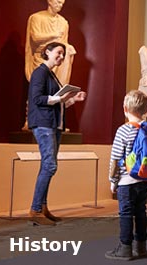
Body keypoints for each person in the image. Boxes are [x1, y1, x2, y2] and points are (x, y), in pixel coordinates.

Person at [27, 42, 86, 226]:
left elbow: (57, 102)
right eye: (59, 53)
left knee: (48, 166)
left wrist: (72, 99)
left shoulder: (52, 74)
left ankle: (42, 207)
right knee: (50, 166)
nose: (61, 57)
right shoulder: (40, 72)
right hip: (43, 124)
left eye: (63, 54)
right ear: (47, 52)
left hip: (53, 125)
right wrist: (61, 98)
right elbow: (37, 98)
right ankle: (35, 210)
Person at [105, 90, 147, 261]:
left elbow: (116, 159)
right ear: (145, 110)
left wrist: (112, 181)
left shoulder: (123, 130)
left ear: (125, 108)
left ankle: (125, 248)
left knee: (125, 213)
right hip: (144, 178)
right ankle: (141, 245)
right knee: (141, 211)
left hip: (126, 180)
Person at [25, 0, 76, 86]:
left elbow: (63, 43)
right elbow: (35, 38)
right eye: (58, 2)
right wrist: (53, 35)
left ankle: (60, 90)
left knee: (68, 49)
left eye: (62, 3)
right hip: (42, 56)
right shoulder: (37, 17)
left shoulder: (63, 22)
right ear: (50, 1)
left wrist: (67, 48)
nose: (60, 5)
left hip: (57, 58)